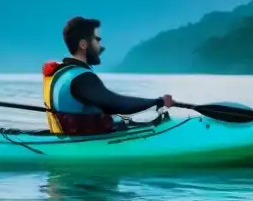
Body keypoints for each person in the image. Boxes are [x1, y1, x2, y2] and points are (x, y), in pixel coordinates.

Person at [41, 16, 174, 136]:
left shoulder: (63, 72)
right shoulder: (82, 78)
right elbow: (116, 104)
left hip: (71, 136)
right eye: (97, 40)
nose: (100, 46)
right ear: (83, 44)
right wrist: (158, 101)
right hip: (87, 144)